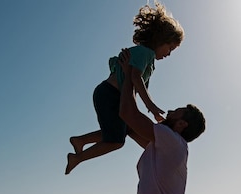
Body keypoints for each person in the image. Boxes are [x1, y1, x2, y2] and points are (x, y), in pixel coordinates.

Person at [118, 48, 206, 194]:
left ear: (181, 124)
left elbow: (127, 113)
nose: (170, 110)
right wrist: (134, 80)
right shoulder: (163, 145)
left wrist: (128, 76)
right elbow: (129, 124)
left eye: (177, 111)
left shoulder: (172, 141)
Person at [65, 1, 184, 175]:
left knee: (120, 130)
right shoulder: (146, 54)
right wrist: (151, 106)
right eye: (170, 48)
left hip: (108, 94)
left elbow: (133, 84)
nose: (169, 53)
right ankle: (77, 157)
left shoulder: (146, 58)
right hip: (110, 95)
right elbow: (134, 78)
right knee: (116, 141)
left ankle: (80, 140)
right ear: (160, 40)